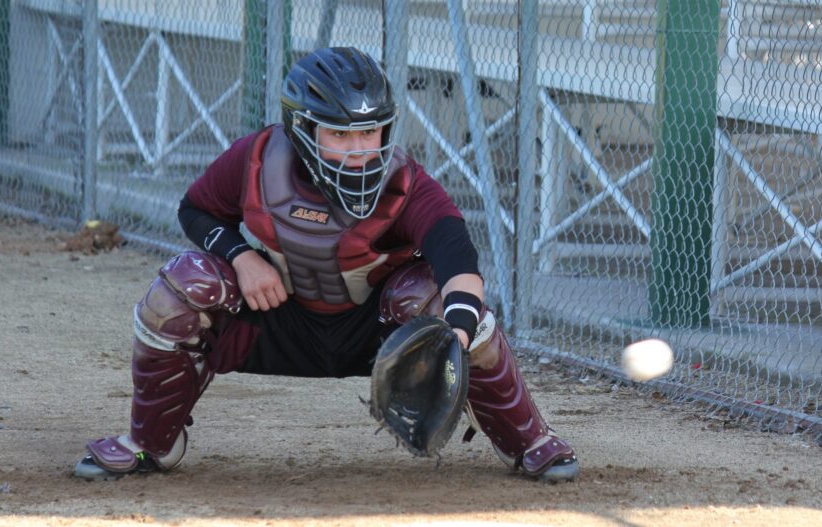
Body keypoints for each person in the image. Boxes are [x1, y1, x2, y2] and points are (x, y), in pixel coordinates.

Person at [74, 47, 579, 483]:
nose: (361, 151)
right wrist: (241, 256)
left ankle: (526, 439)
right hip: (277, 323)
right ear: (302, 128)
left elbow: (457, 256)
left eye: (372, 133)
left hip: (381, 339)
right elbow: (194, 209)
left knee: (431, 297)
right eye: (341, 135)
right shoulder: (256, 161)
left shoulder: (406, 183)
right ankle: (152, 442)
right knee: (186, 284)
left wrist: (457, 338)